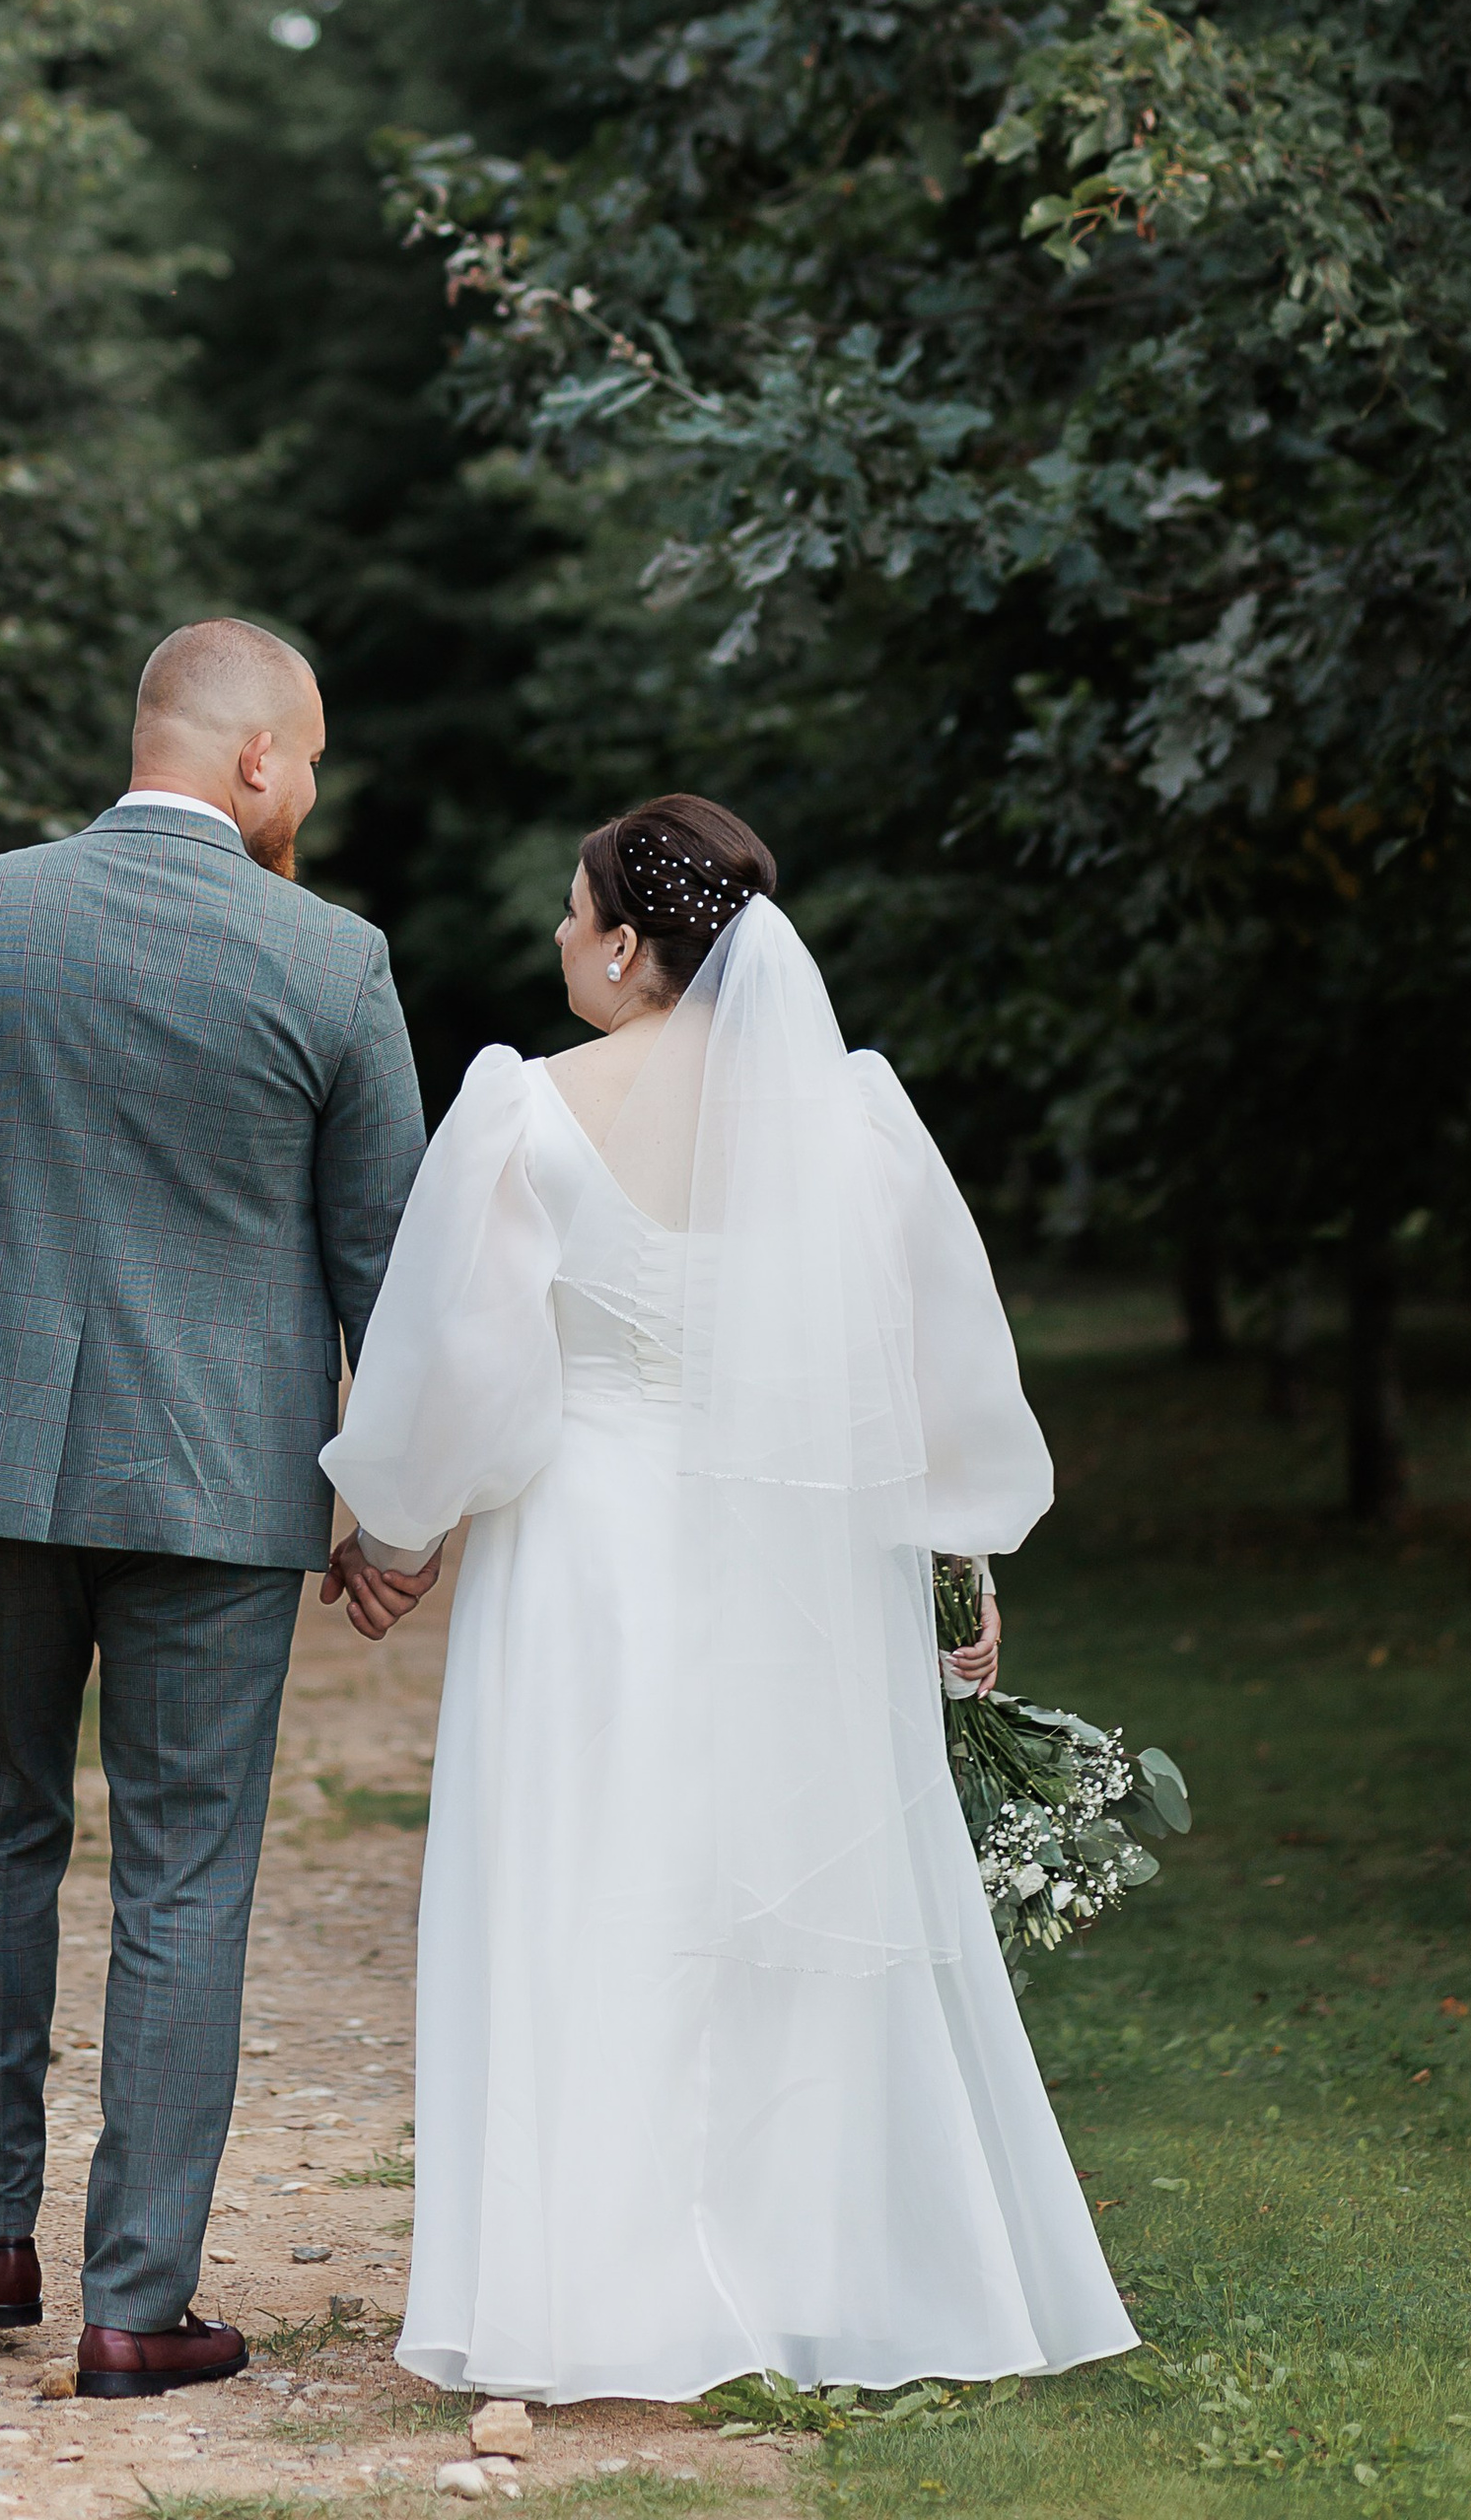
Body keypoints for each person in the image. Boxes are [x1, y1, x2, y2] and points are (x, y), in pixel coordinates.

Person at [320, 795, 1137, 2406]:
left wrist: (396, 1526)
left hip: (586, 1558)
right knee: (771, 1897)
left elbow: (466, 1365)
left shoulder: (526, 1110)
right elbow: (924, 1362)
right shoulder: (856, 1119)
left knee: (589, 1890)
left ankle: (596, 2285)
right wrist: (951, 1558)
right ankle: (796, 2265)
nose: (560, 937)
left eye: (575, 914)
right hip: (793, 1561)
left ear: (629, 944)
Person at [0, 620, 425, 2401]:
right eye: (312, 758)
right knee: (185, 1874)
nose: (313, 789)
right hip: (219, 1487)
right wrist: (390, 1513)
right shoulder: (332, 960)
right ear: (255, 760)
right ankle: (135, 2303)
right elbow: (388, 1268)